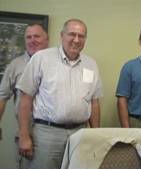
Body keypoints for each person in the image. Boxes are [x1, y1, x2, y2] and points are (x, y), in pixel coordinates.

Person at [16, 18, 103, 169]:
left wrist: (95, 135)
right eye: (72, 34)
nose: (76, 40)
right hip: (47, 135)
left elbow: (94, 102)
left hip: (80, 133)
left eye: (81, 36)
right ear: (62, 35)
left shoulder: (91, 64)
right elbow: (25, 98)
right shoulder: (41, 59)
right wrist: (24, 136)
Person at [0, 23, 48, 169]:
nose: (32, 40)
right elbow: (2, 97)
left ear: (47, 39)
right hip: (27, 133)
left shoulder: (57, 63)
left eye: (37, 36)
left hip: (52, 134)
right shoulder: (15, 65)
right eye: (28, 37)